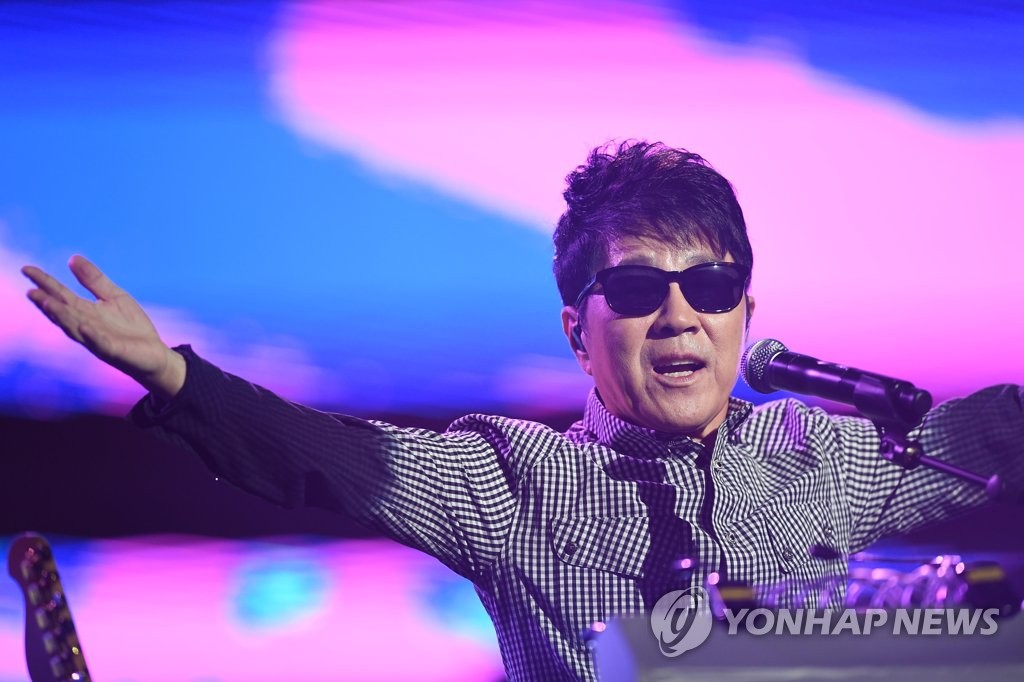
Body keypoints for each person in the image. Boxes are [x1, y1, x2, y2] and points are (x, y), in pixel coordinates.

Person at [22, 141, 1023, 681]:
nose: (680, 316)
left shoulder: (824, 455)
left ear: (745, 315)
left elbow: (996, 433)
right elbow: (331, 457)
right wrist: (176, 377)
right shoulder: (514, 483)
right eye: (638, 289)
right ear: (577, 332)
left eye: (711, 287)